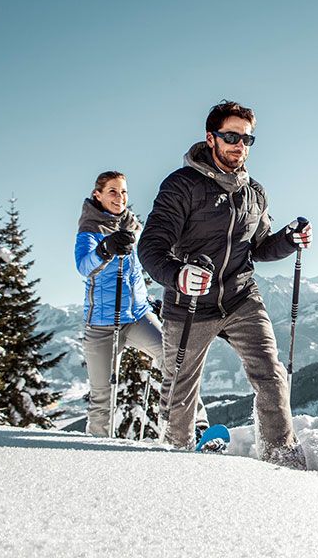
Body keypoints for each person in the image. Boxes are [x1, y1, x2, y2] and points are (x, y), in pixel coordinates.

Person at [138, 100, 312, 467]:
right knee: (180, 389)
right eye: (231, 136)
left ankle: (282, 456)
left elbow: (260, 247)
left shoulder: (254, 193)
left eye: (248, 139)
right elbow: (151, 247)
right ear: (210, 138)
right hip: (189, 303)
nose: (240, 145)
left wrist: (288, 239)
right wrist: (178, 275)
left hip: (240, 296)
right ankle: (178, 456)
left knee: (270, 372)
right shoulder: (181, 186)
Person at [75, 171, 209, 437]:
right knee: (102, 394)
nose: (119, 197)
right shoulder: (89, 231)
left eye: (123, 191)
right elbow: (84, 266)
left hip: (138, 316)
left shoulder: (132, 227)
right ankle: (96, 447)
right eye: (112, 191)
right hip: (103, 324)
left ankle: (197, 426)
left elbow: (134, 273)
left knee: (174, 361)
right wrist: (105, 249)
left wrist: (147, 300)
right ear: (97, 195)